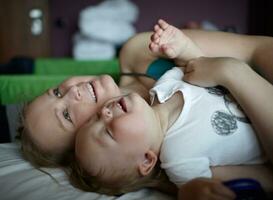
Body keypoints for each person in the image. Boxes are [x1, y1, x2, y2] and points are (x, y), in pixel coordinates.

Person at [70, 19, 273, 198]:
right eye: (108, 131)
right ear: (146, 160)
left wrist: (183, 48)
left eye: (96, 116)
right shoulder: (180, 162)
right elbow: (264, 178)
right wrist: (193, 191)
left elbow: (202, 66)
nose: (104, 112)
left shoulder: (162, 86)